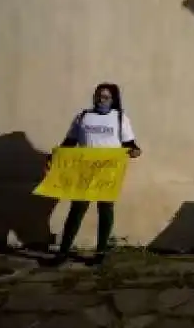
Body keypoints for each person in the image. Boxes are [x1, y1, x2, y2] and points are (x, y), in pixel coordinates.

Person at [49, 83, 141, 265]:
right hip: (84, 171)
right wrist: (54, 158)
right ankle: (63, 252)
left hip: (108, 172)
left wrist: (135, 151)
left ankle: (100, 252)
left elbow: (130, 144)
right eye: (98, 96)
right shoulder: (83, 117)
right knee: (77, 210)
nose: (101, 100)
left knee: (105, 210)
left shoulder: (120, 118)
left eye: (106, 97)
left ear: (113, 100)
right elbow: (68, 143)